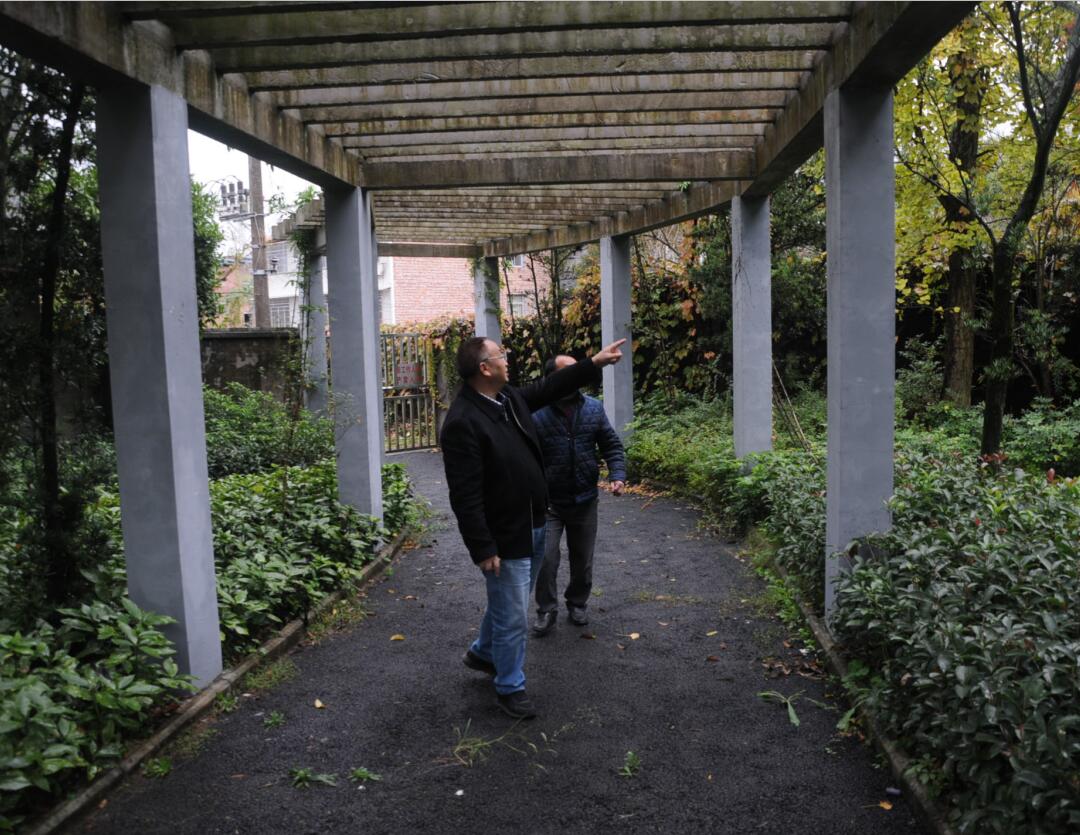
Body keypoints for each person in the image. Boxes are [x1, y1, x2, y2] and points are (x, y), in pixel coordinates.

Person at [441, 335, 626, 720]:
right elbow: (465, 495)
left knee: (508, 601)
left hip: (535, 522)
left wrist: (593, 363)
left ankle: (482, 653)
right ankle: (509, 686)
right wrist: (483, 547)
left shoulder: (506, 399)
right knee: (512, 615)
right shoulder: (463, 421)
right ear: (484, 368)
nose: (507, 359)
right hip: (506, 535)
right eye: (501, 355)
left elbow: (549, 386)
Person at [532, 355, 626, 636]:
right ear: (552, 378)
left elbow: (611, 444)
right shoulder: (535, 411)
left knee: (583, 560)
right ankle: (546, 609)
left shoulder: (593, 408)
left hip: (584, 499)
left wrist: (618, 475)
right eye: (569, 372)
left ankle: (577, 603)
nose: (576, 375)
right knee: (546, 559)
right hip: (548, 502)